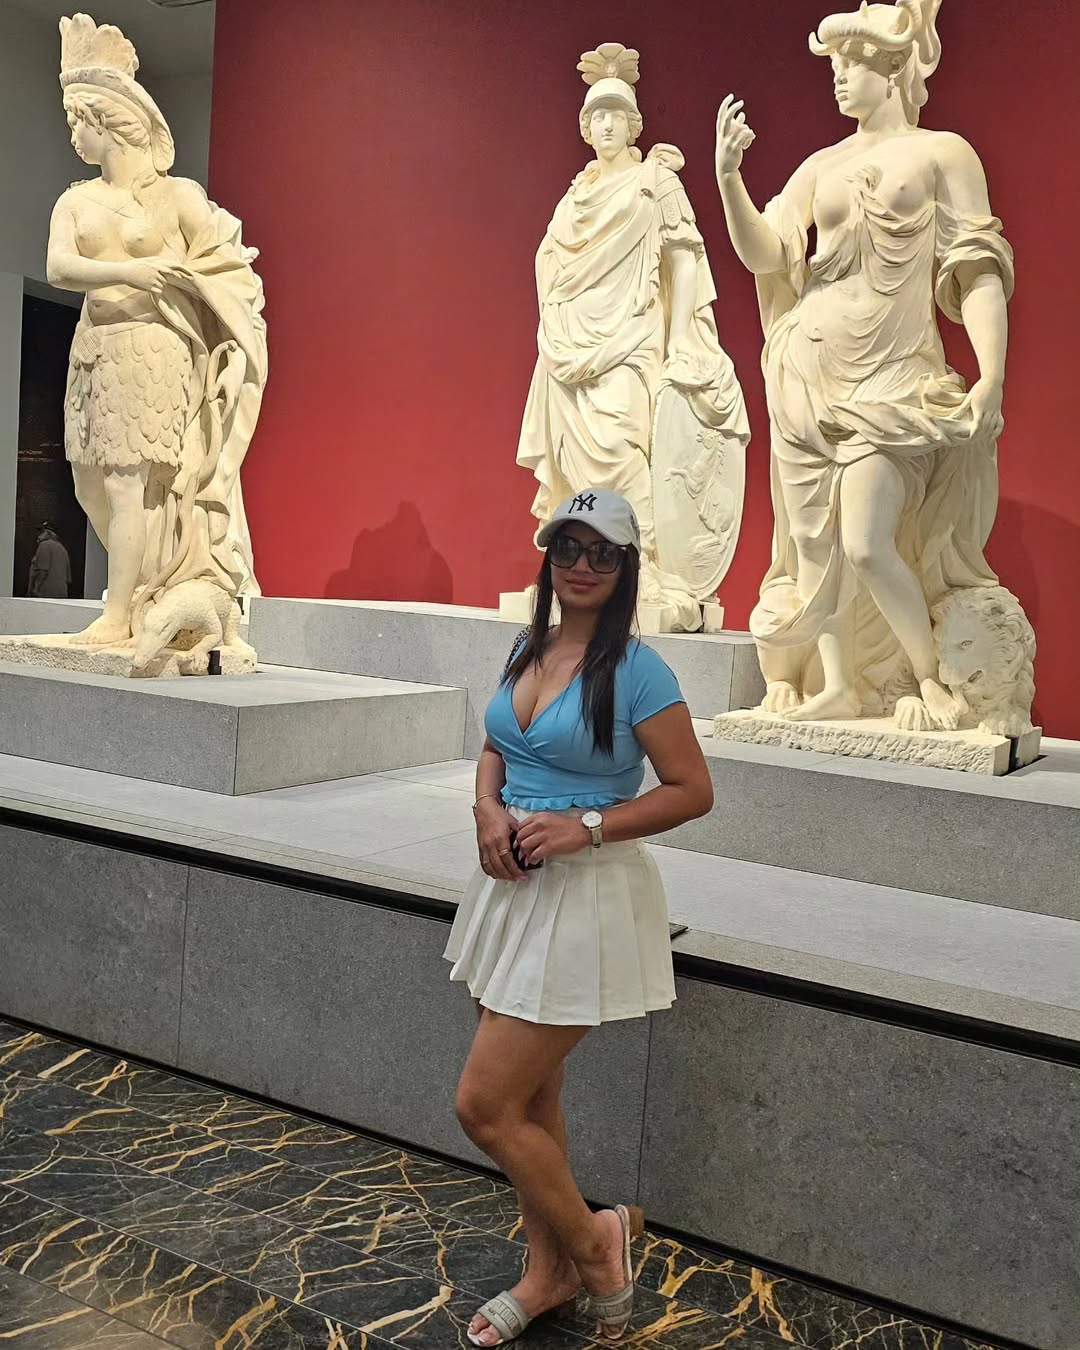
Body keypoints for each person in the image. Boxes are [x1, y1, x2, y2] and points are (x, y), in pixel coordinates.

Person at [444, 488, 713, 1345]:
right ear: (549, 557)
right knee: (532, 1097)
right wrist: (486, 808)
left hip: (585, 895)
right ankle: (548, 1272)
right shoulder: (529, 645)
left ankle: (596, 1244)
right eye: (567, 547)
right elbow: (496, 746)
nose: (582, 565)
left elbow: (692, 790)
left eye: (602, 552)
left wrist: (586, 825)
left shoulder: (639, 670)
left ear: (625, 566)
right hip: (510, 888)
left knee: (484, 1106)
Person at [714, 0, 1015, 730]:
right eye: (836, 65)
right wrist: (729, 180)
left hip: (893, 374)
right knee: (814, 545)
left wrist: (992, 373)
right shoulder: (820, 166)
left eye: (853, 63)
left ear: (894, 67)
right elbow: (768, 253)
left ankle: (930, 677)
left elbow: (976, 268)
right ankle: (841, 686)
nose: (839, 77)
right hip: (806, 375)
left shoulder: (943, 154)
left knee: (867, 542)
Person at [46, 14, 266, 647]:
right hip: (93, 350)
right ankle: (142, 590)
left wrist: (213, 311)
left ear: (105, 121)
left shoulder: (177, 197)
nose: (73, 136)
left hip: (152, 351)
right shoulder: (75, 201)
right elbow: (58, 268)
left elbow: (229, 270)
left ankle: (118, 615)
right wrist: (137, 269)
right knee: (90, 484)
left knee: (127, 483)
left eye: (77, 122)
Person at [517, 43, 748, 633]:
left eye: (616, 115)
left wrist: (682, 339)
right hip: (567, 341)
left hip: (630, 335)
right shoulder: (574, 196)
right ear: (586, 127)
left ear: (633, 124)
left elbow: (685, 257)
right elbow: (549, 260)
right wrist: (555, 321)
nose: (606, 125)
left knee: (622, 450)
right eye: (596, 116)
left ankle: (641, 568)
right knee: (572, 467)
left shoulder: (656, 182)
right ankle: (579, 569)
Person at [27, 523, 72, 598]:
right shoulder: (62, 548)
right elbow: (68, 579)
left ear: (48, 533)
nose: (38, 534)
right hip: (62, 594)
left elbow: (43, 570)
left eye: (41, 532)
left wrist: (36, 588)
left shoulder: (44, 545)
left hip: (46, 593)